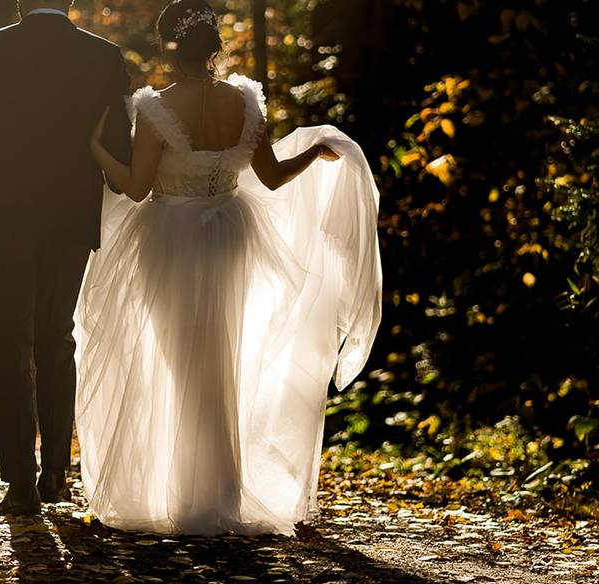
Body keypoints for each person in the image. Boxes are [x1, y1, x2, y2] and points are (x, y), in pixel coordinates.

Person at [77, 0, 383, 535]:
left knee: (183, 366)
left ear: (168, 48)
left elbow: (136, 187)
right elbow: (271, 177)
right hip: (231, 235)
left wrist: (97, 151)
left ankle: (197, 496)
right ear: (215, 47)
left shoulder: (153, 109)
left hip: (170, 240)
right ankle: (222, 491)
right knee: (222, 358)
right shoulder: (244, 101)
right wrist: (316, 151)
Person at [0, 0, 132, 516]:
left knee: (7, 346)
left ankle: (20, 482)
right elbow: (117, 143)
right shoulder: (102, 56)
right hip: (69, 220)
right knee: (55, 337)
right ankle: (56, 475)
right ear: (69, 3)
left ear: (20, 3)